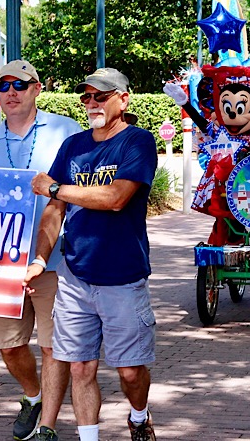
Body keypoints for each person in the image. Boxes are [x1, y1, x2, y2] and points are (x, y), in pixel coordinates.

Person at [26, 68, 159, 441]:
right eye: (86, 97)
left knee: (130, 372)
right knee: (81, 367)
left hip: (123, 276)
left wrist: (56, 188)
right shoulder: (73, 146)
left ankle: (138, 415)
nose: (92, 103)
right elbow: (54, 212)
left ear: (123, 99)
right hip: (75, 276)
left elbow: (116, 198)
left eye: (100, 96)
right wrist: (40, 259)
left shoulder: (138, 142)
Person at [0, 60, 81, 441]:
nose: (11, 92)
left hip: (57, 260)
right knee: (9, 345)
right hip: (5, 264)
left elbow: (80, 191)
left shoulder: (67, 132)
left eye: (20, 84)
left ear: (37, 88)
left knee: (55, 345)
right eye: (4, 85)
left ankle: (48, 426)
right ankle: (33, 397)